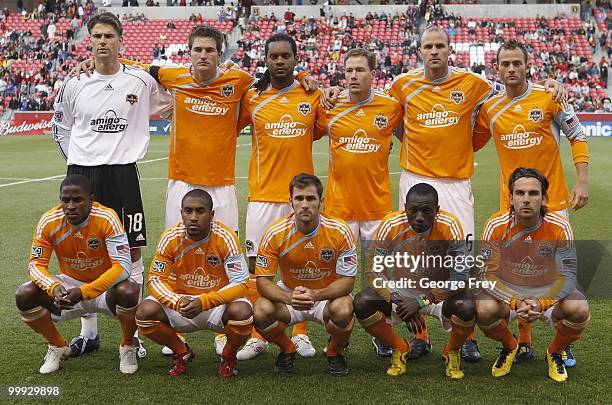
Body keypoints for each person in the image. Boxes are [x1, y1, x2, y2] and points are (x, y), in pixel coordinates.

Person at [321, 25, 565, 362]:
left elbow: (513, 88)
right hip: (416, 179)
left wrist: (550, 85)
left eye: (439, 46)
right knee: (414, 262)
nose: (433, 51)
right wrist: (334, 90)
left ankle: (462, 333)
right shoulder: (402, 85)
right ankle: (419, 333)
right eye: (428, 46)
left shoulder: (474, 83)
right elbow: (381, 110)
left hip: (455, 183)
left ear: (450, 50)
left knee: (460, 259)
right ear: (419, 51)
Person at [73, 25, 316, 355]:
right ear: (189, 54)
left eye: (210, 50)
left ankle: (223, 328)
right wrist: (94, 60)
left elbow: (276, 72)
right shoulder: (173, 76)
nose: (204, 55)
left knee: (226, 256)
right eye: (198, 50)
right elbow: (132, 64)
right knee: (176, 254)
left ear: (220, 54)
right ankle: (177, 330)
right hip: (182, 183)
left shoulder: (239, 81)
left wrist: (303, 75)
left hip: (221, 186)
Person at [52, 12, 172, 359]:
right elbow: (60, 126)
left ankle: (131, 337)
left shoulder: (139, 80)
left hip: (122, 175)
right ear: (89, 41)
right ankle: (88, 333)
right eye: (97, 36)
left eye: (109, 36)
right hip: (83, 175)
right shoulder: (74, 82)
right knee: (82, 253)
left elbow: (171, 107)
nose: (102, 41)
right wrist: (75, 168)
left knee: (131, 250)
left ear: (121, 41)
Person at [473, 40, 589, 365]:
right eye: (505, 64)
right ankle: (523, 339)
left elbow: (577, 134)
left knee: (554, 272)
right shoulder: (489, 110)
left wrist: (582, 180)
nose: (511, 69)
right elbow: (466, 141)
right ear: (497, 69)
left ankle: (561, 342)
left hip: (551, 206)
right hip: (509, 209)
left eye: (517, 63)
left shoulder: (549, 97)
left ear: (528, 66)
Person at [236, 33, 321, 360]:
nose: (280, 61)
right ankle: (258, 335)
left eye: (287, 56)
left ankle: (301, 333)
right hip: (261, 198)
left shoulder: (311, 95)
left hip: (300, 198)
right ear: (267, 60)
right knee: (258, 269)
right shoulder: (252, 98)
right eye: (275, 57)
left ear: (296, 59)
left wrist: (311, 81)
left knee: (302, 266)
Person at [314, 47, 403, 357]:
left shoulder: (391, 107)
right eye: (348, 70)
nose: (353, 75)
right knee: (339, 281)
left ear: (372, 73)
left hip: (378, 210)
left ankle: (382, 333)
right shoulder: (331, 106)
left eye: (360, 70)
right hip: (340, 211)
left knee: (379, 280)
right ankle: (339, 335)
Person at [15, 175, 140, 374]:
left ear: (91, 200)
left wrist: (84, 292)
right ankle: (57, 345)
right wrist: (53, 288)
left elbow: (123, 266)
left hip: (104, 288)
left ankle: (127, 345)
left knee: (130, 290)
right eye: (65, 200)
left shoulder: (106, 217)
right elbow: (35, 265)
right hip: (68, 287)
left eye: (78, 200)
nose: (70, 206)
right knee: (25, 293)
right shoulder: (49, 221)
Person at [476, 168, 590, 382]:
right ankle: (510, 345)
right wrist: (515, 300)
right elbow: (485, 274)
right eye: (520, 193)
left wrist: (542, 302)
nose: (526, 199)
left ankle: (554, 352)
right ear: (510, 198)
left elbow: (568, 275)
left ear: (545, 198)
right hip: (510, 290)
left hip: (546, 290)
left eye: (533, 193)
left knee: (579, 306)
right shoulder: (496, 225)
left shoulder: (559, 226)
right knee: (484, 308)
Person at [354, 183, 474, 379]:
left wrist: (421, 301)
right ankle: (399, 347)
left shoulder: (449, 225)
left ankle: (451, 351)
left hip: (437, 291)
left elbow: (460, 278)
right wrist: (398, 300)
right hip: (403, 291)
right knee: (362, 301)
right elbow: (373, 272)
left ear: (437, 210)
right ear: (405, 208)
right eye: (413, 210)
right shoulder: (391, 223)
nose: (419, 217)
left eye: (427, 211)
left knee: (467, 304)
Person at [136, 189, 252, 378]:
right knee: (144, 313)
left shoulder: (226, 236)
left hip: (217, 305)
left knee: (242, 312)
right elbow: (155, 278)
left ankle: (229, 355)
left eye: (200, 211)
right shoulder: (171, 237)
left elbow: (240, 283)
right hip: (182, 303)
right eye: (188, 211)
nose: (193, 217)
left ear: (211, 214)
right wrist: (176, 301)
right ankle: (181, 352)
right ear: (181, 212)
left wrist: (205, 302)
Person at [254, 173, 357, 376]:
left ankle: (335, 351)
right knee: (261, 310)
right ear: (290, 201)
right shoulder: (274, 232)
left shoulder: (339, 231)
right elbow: (263, 282)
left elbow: (348, 282)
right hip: (290, 295)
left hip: (325, 297)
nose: (305, 204)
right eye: (299, 198)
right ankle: (287, 348)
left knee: (344, 308)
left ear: (321, 202)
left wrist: (316, 295)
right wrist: (289, 297)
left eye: (311, 198)